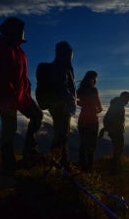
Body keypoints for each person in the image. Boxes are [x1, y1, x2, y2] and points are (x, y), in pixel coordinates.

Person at [0, 17, 43, 175]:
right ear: (12, 31)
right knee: (9, 130)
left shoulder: (20, 52)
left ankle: (29, 152)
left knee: (37, 115)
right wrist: (10, 92)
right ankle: (8, 165)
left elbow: (22, 75)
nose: (23, 32)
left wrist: (27, 88)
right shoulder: (1, 47)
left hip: (22, 96)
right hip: (7, 96)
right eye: (20, 29)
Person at [36, 41, 76, 170]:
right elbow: (63, 86)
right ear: (68, 52)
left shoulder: (56, 65)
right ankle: (57, 163)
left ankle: (61, 161)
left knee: (60, 133)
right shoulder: (62, 66)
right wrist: (68, 100)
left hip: (54, 104)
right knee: (62, 135)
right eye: (71, 52)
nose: (72, 55)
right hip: (62, 105)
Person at [77, 71, 103, 172]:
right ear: (94, 79)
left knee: (83, 145)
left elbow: (76, 101)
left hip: (82, 120)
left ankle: (82, 168)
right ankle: (89, 169)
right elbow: (99, 107)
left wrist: (83, 104)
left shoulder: (80, 90)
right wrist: (98, 109)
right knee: (91, 147)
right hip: (92, 120)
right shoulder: (94, 90)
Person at [99, 91, 129, 174]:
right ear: (124, 98)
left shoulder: (116, 104)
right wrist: (107, 128)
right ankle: (114, 169)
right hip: (115, 130)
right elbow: (111, 118)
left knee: (118, 148)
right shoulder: (118, 105)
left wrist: (105, 128)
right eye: (128, 98)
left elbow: (108, 117)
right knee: (119, 148)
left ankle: (116, 167)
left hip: (114, 130)